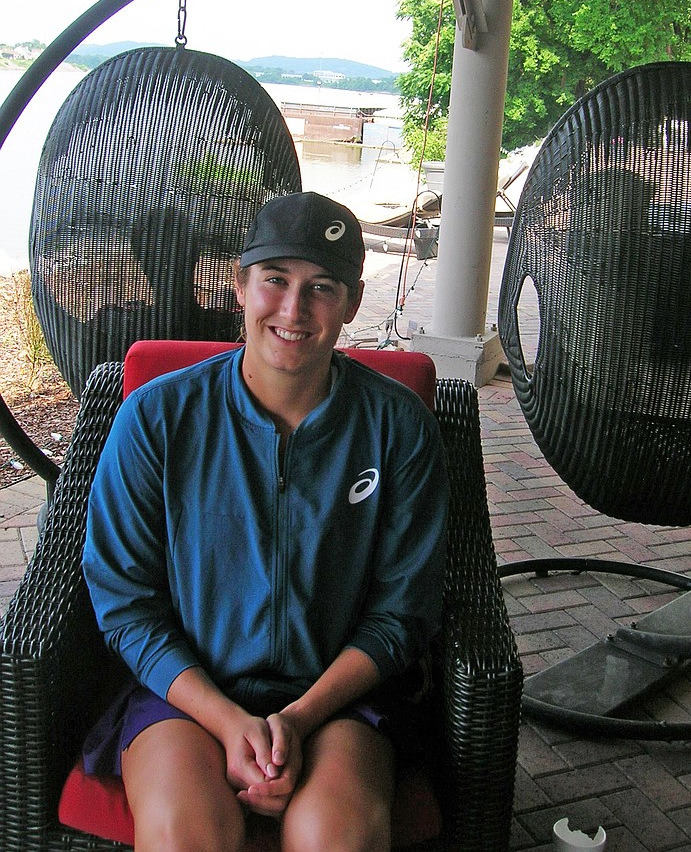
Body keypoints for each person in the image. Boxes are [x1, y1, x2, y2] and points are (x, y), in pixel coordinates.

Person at [82, 191, 449, 852]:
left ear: (353, 303)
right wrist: (227, 721)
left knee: (335, 836)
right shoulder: (158, 420)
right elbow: (124, 599)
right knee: (184, 834)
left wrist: (298, 719)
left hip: (335, 699)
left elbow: (404, 609)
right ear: (240, 285)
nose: (293, 309)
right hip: (187, 693)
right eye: (275, 279)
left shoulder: (398, 428)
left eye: (322, 287)